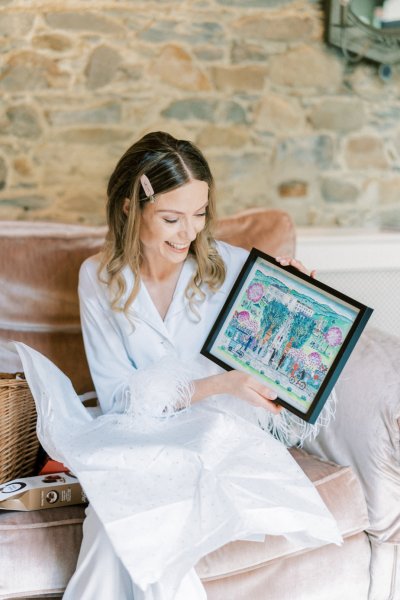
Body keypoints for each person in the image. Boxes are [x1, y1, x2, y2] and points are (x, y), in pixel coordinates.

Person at [15, 131, 341, 600]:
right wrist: (219, 384)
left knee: (122, 522)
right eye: (171, 218)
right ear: (131, 208)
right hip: (136, 434)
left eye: (199, 214)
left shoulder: (231, 267)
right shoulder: (100, 278)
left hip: (215, 434)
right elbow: (119, 400)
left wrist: (299, 298)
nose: (188, 233)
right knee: (120, 520)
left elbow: (286, 351)